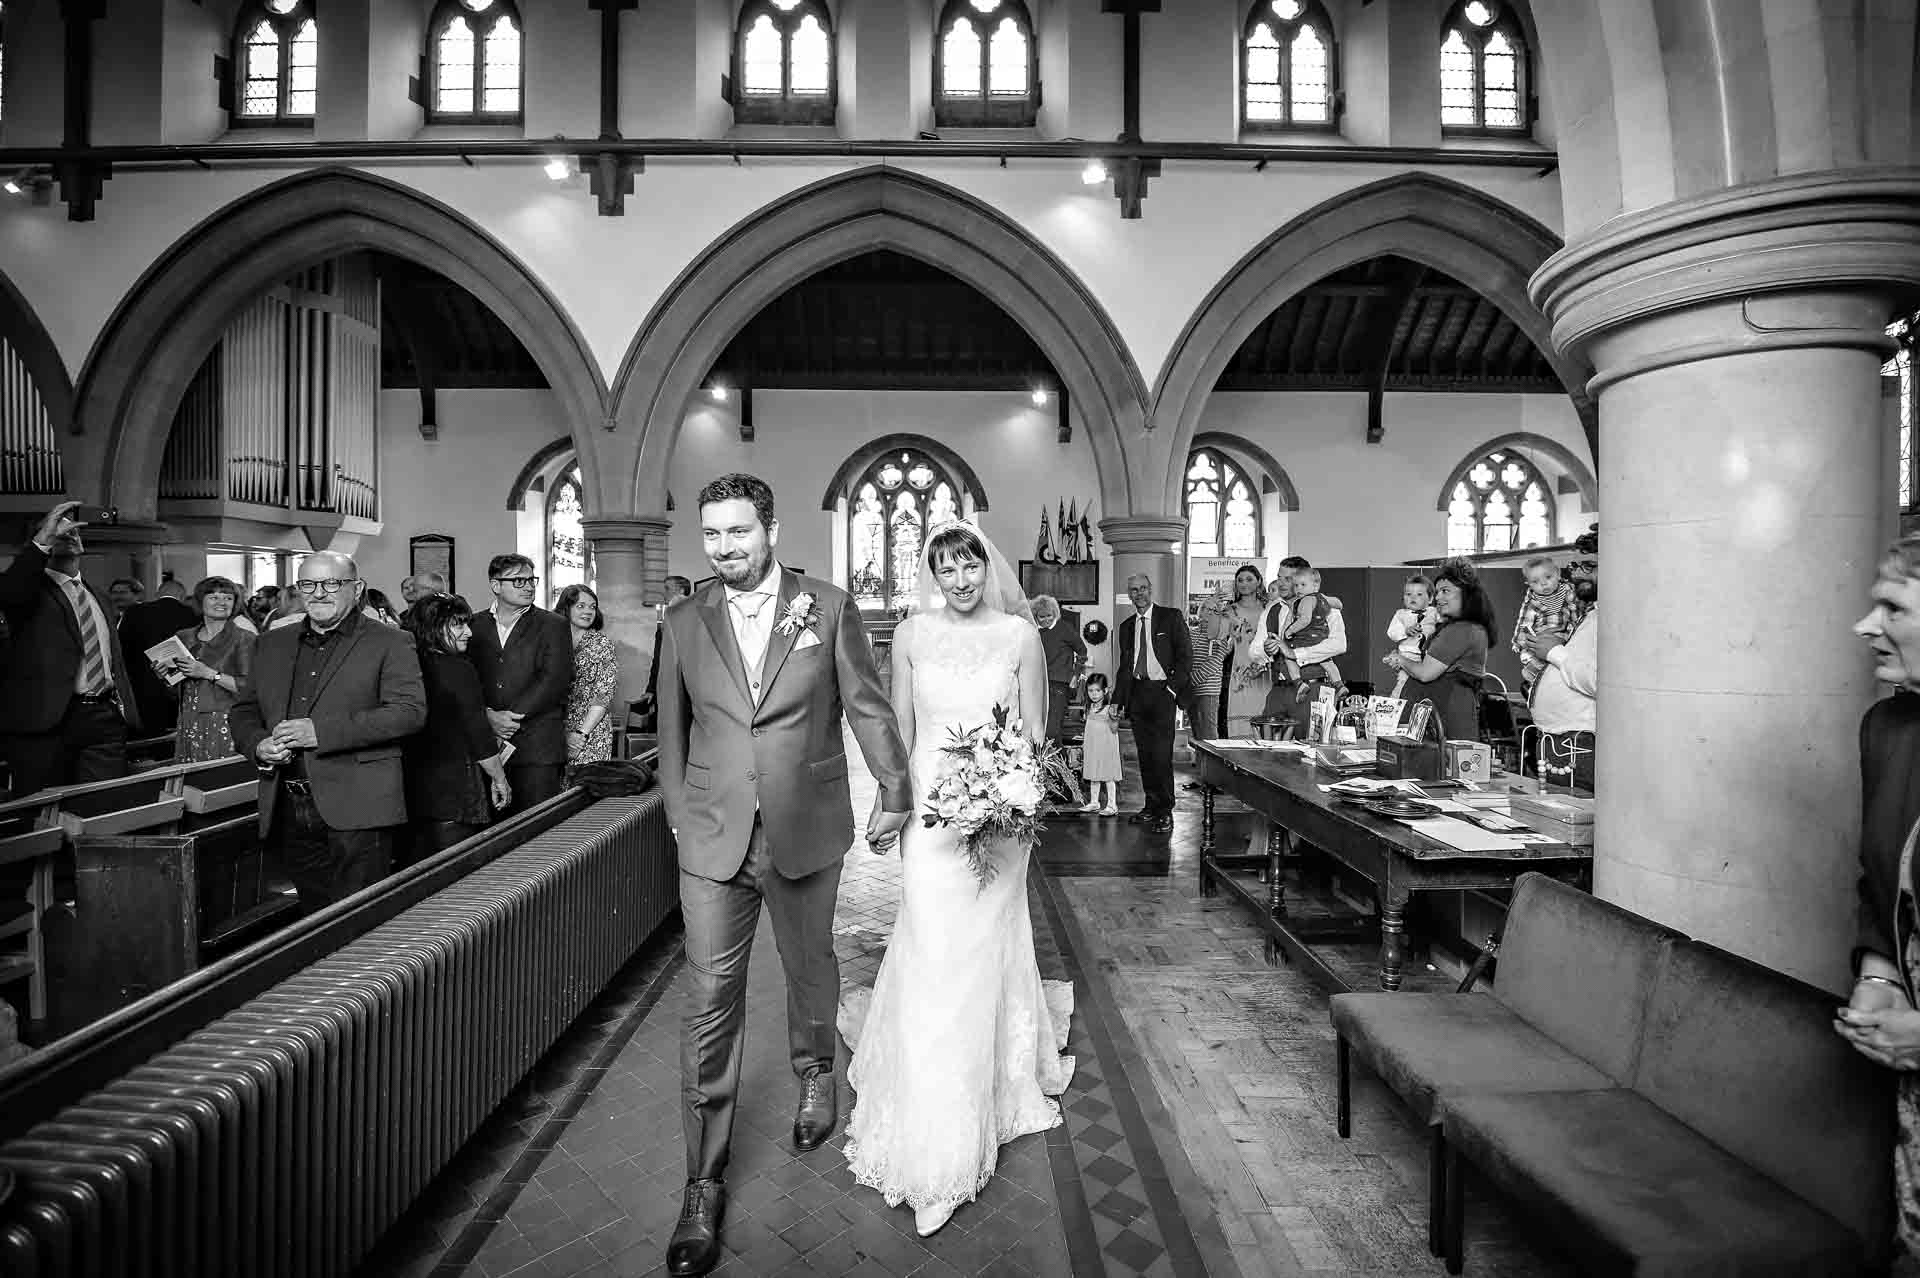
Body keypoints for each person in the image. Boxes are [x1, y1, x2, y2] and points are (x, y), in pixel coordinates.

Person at [655, 473, 911, 1278]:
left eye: (739, 532)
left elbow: (867, 705)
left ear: (770, 527)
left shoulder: (828, 607)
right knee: (708, 998)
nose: (726, 548)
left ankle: (814, 1074)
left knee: (810, 966)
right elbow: (672, 726)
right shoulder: (682, 618)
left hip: (806, 822)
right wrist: (676, 811)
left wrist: (897, 790)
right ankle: (702, 1178)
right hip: (711, 834)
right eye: (714, 536)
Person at [840, 518, 1074, 1238]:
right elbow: (902, 730)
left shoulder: (1019, 635)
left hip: (1002, 818)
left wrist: (1014, 794)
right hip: (933, 814)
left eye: (968, 564)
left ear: (986, 566)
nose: (960, 579)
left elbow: (1035, 734)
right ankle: (925, 1101)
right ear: (931, 575)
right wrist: (891, 803)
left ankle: (965, 1117)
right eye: (945, 568)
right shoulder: (910, 635)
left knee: (978, 949)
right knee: (935, 945)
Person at [228, 550, 427, 916]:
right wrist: (258, 744)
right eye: (308, 583)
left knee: (361, 920)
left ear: (357, 588)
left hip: (359, 803)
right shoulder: (271, 642)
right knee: (312, 919)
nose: (319, 592)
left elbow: (408, 714)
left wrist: (319, 732)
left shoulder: (390, 641)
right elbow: (243, 710)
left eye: (332, 583)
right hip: (288, 803)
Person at [1838, 532, 1920, 1270]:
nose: (1865, 627)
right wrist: (1878, 975)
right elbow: (1877, 882)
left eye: (1891, 606)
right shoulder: (1891, 730)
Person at [0, 501, 142, 797]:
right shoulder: (28, 592)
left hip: (103, 716)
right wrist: (42, 541)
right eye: (57, 532)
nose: (67, 535)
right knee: (46, 819)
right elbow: (11, 590)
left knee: (104, 808)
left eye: (72, 532)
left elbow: (112, 657)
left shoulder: (98, 595)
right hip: (48, 722)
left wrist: (123, 711)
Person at [402, 593, 512, 860]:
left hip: (409, 788)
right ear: (432, 628)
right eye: (458, 625)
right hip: (453, 788)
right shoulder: (457, 669)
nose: (469, 633)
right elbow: (477, 732)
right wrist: (499, 778)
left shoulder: (404, 664)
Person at [468, 554, 574, 812]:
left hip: (537, 744)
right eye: (518, 581)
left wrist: (511, 717)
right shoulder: (474, 624)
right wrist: (489, 715)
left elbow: (555, 679)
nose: (528, 586)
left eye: (531, 580)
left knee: (536, 828)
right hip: (487, 743)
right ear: (496, 586)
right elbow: (465, 678)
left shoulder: (553, 624)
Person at [1381, 558, 1496, 742]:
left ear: (1466, 594)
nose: (1439, 598)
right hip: (1437, 719)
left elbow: (1426, 673)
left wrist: (1401, 659)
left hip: (1446, 720)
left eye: (1446, 591)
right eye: (1438, 592)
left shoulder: (1461, 630)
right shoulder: (1461, 628)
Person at [1113, 572, 1191, 833]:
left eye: (1143, 588)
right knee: (1145, 756)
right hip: (1137, 694)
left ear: (1151, 589)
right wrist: (1117, 701)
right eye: (1134, 590)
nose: (1139, 594)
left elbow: (1185, 658)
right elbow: (1124, 667)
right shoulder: (1126, 627)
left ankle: (1165, 810)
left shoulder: (1171, 617)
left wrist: (1171, 690)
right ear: (1129, 594)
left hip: (1163, 693)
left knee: (1161, 755)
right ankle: (1151, 806)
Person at [164, 575, 255, 763]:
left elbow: (250, 688)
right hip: (188, 718)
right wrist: (166, 675)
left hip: (225, 721)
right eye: (214, 597)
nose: (222, 602)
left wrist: (208, 673)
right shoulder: (184, 636)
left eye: (228, 598)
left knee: (218, 781)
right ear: (200, 601)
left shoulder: (244, 638)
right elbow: (175, 690)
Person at [1525, 560, 1597, 792]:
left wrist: (1554, 652)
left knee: (1579, 824)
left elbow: (1601, 682)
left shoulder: (1616, 620)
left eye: (1589, 565)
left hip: (1579, 744)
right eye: (1575, 564)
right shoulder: (1591, 614)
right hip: (1555, 742)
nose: (1576, 572)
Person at [119, 576, 198, 735]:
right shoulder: (191, 614)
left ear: (157, 594)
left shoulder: (134, 612)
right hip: (179, 683)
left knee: (146, 731)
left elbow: (121, 646)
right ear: (182, 596)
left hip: (140, 683)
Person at [557, 583, 620, 765]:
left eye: (593, 607)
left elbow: (603, 694)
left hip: (590, 731)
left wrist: (580, 735)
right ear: (566, 608)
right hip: (555, 730)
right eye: (580, 606)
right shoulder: (553, 640)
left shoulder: (601, 644)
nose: (588, 612)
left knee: (583, 789)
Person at [1210, 565, 1271, 738]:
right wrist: (1216, 609)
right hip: (1239, 670)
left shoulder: (1270, 608)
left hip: (1266, 670)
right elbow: (1214, 634)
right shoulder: (1230, 609)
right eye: (1240, 580)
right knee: (1240, 731)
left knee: (1267, 719)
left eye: (1249, 579)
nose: (1244, 583)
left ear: (1259, 581)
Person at [1512, 556, 1581, 699]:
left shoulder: (1568, 590)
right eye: (1535, 582)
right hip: (1541, 635)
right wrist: (1520, 641)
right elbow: (1524, 621)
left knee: (1561, 664)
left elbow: (1575, 610)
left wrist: (1576, 627)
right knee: (1538, 657)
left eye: (1548, 577)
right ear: (1528, 584)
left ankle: (1542, 681)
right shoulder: (1533, 601)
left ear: (1558, 574)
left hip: (1564, 633)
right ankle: (1533, 674)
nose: (1543, 584)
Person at [1030, 593, 1087, 749]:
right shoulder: (1033, 631)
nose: (1046, 620)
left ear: (1054, 613)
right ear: (1035, 616)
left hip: (1060, 684)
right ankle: (1049, 769)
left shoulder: (1064, 628)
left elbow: (1082, 651)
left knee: (1052, 731)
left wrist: (1076, 675)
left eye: (1049, 615)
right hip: (1038, 684)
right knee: (1039, 729)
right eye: (1042, 617)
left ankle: (1060, 770)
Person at [1386, 574, 1438, 699]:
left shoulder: (1434, 612)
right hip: (1408, 656)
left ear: (1430, 599)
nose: (1413, 597)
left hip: (1429, 657)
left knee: (1429, 683)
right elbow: (1392, 632)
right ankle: (1396, 702)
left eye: (1419, 594)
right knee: (1403, 683)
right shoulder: (1401, 614)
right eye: (1408, 594)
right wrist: (1405, 631)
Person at [1078, 671, 1122, 816]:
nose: (1094, 694)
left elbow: (1114, 729)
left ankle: (1112, 804)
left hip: (1106, 748)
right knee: (1093, 775)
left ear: (1105, 691)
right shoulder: (1089, 708)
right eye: (1091, 690)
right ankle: (1094, 802)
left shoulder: (1109, 708)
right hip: (1092, 747)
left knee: (1108, 776)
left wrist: (1115, 719)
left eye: (1097, 690)